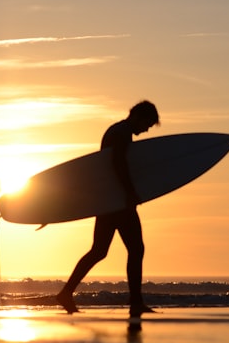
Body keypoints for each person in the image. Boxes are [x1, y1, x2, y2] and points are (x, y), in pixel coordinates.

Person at [56, 101, 160, 316]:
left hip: (107, 201)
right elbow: (118, 164)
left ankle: (66, 292)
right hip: (117, 201)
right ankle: (136, 302)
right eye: (147, 124)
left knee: (99, 251)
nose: (147, 129)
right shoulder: (121, 133)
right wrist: (130, 192)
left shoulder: (118, 131)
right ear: (138, 116)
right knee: (135, 249)